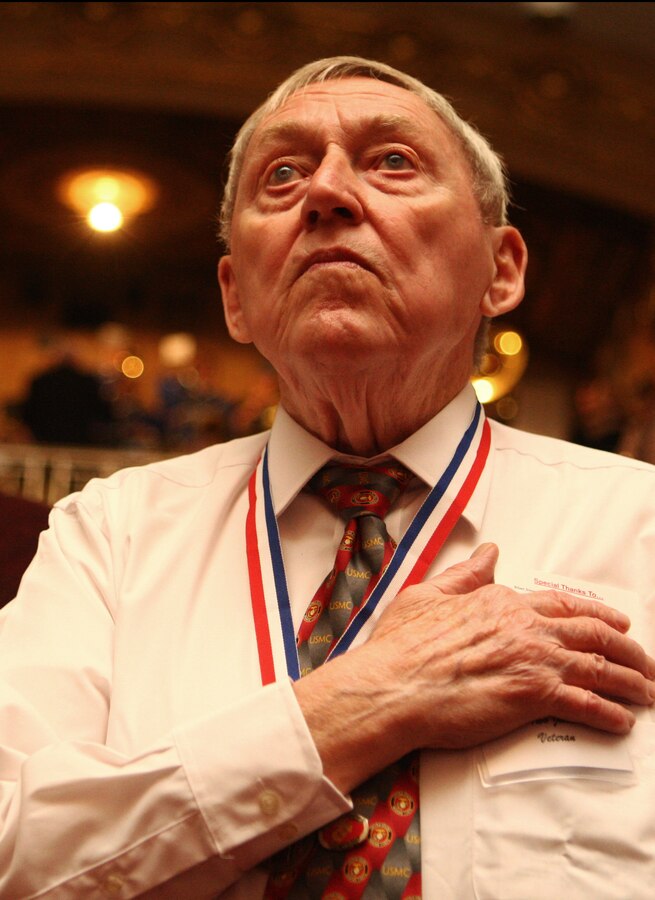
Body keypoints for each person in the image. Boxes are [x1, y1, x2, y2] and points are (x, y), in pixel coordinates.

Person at [1, 56, 654, 899]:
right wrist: (364, 702)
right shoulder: (110, 535)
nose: (327, 194)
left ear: (501, 270)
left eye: (392, 162)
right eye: (283, 174)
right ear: (236, 297)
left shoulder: (640, 526)